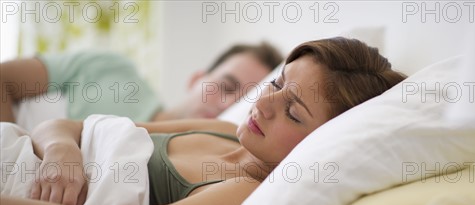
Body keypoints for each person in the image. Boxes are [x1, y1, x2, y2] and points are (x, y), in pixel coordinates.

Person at [1, 37, 407, 205]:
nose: (262, 103)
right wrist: (62, 152)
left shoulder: (239, 194)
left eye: (294, 113)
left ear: (321, 144)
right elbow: (66, 127)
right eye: (279, 84)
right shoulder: (221, 131)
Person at [0, 42, 283, 123]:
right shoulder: (108, 69)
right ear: (197, 79)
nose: (225, 104)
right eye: (226, 86)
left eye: (243, 103)